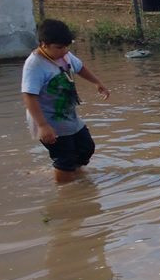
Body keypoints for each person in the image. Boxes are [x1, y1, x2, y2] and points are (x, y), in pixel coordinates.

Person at [21, 18, 110, 183]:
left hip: (69, 117)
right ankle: (65, 193)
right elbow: (29, 96)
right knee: (65, 158)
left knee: (86, 148)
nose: (64, 51)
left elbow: (80, 67)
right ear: (44, 44)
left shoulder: (64, 55)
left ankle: (67, 174)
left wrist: (98, 82)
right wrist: (42, 126)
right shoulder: (34, 65)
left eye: (66, 47)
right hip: (48, 121)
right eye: (59, 47)